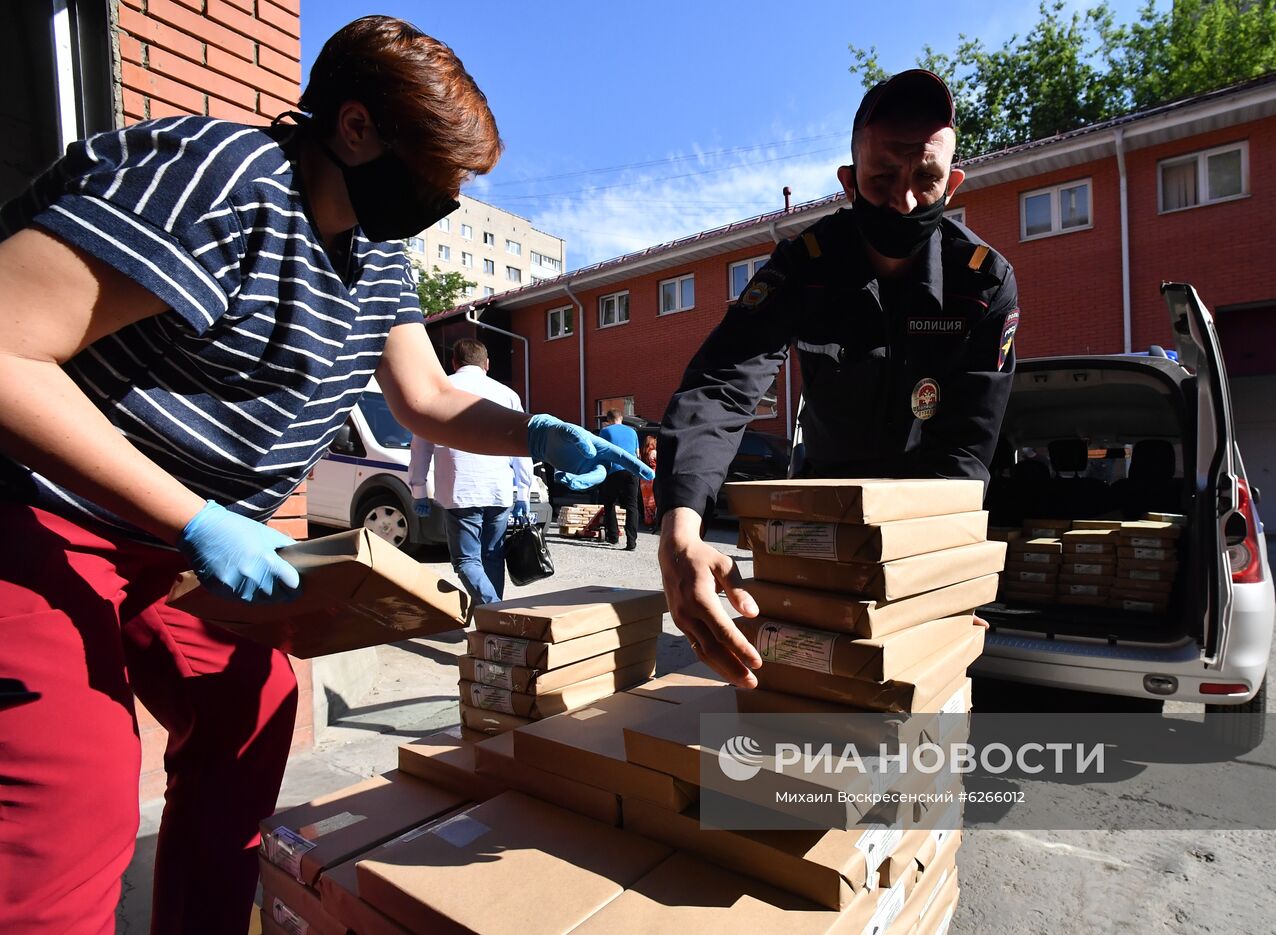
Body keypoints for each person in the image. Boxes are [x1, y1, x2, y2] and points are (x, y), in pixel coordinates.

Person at [0, 16, 648, 935]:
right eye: (441, 172)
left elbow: (424, 395)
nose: (451, 198)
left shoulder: (377, 257)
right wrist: (200, 520)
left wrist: (538, 432)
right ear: (354, 128)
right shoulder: (219, 181)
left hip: (168, 544)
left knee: (251, 714)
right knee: (69, 797)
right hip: (39, 512)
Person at [654, 69, 1019, 687]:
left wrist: (943, 577)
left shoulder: (982, 283)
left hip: (921, 529)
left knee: (911, 703)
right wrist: (679, 527)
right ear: (849, 182)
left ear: (952, 184)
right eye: (881, 179)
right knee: (799, 686)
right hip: (816, 518)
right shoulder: (805, 265)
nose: (904, 200)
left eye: (925, 180)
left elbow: (967, 444)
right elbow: (724, 380)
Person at [409, 338, 533, 605]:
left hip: (460, 489)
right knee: (492, 557)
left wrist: (418, 489)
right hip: (499, 490)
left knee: (466, 560)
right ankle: (494, 622)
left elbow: (421, 445)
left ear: (453, 363)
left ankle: (495, 611)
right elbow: (522, 445)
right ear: (487, 364)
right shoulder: (506, 394)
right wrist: (524, 491)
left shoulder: (439, 392)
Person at [597, 409, 641, 550]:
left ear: (609, 420)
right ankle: (631, 543)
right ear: (621, 418)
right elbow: (637, 454)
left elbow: (600, 452)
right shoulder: (633, 432)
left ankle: (613, 537)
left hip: (614, 470)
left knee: (609, 504)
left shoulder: (605, 431)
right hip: (632, 471)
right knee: (632, 506)